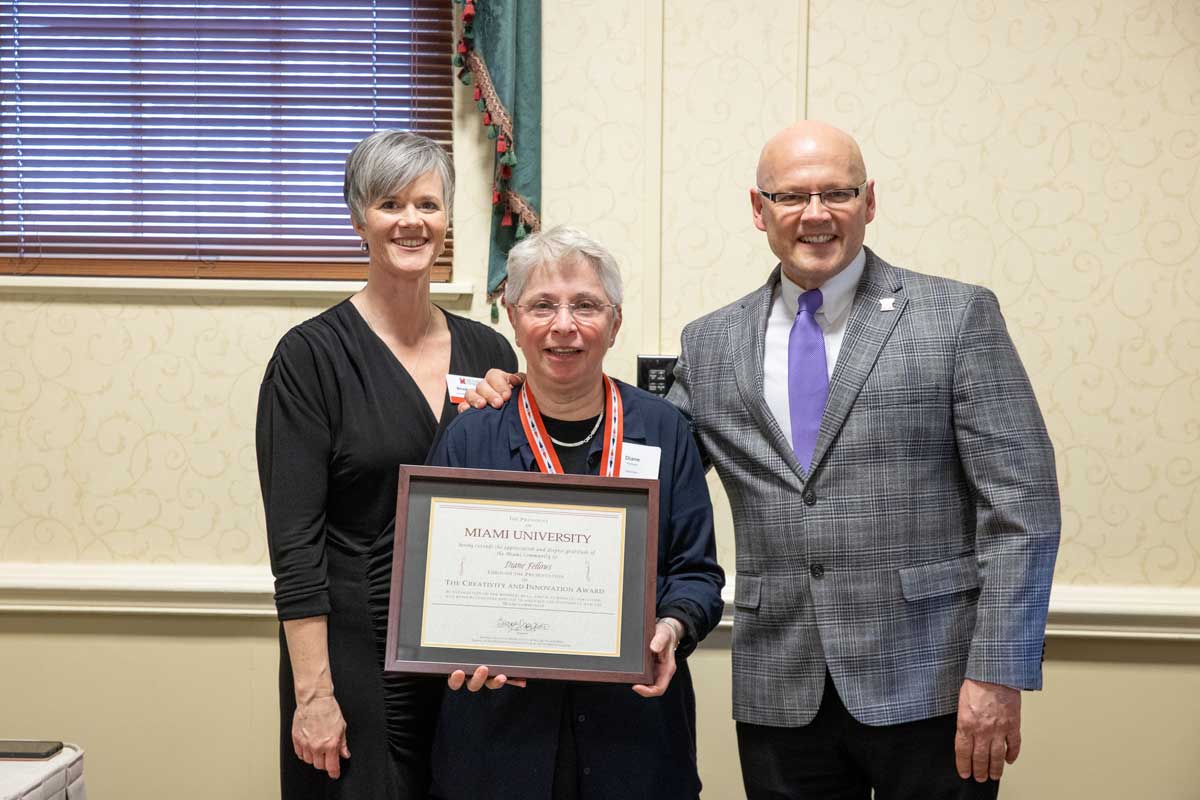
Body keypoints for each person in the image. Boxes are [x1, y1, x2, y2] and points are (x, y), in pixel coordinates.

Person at [465, 121, 1061, 798]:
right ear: (759, 209)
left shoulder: (955, 318)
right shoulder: (714, 342)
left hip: (932, 684)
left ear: (870, 202)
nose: (815, 214)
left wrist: (998, 670)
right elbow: (644, 455)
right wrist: (526, 392)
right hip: (781, 690)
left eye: (836, 193)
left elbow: (1023, 510)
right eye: (790, 197)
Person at [255, 129, 518, 798]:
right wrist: (313, 696)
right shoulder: (308, 359)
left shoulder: (488, 353)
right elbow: (294, 543)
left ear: (448, 219)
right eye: (389, 204)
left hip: (465, 658)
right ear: (358, 220)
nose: (411, 221)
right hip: (353, 655)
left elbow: (517, 511)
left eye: (428, 205)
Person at [423, 225, 725, 800]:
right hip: (497, 741)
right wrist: (450, 647)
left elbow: (698, 572)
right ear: (512, 318)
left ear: (614, 322)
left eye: (585, 305)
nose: (564, 325)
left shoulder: (663, 431)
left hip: (633, 741)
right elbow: (433, 582)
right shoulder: (471, 437)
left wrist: (672, 626)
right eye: (542, 305)